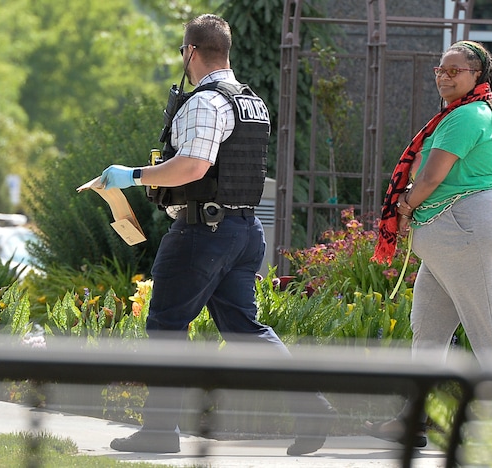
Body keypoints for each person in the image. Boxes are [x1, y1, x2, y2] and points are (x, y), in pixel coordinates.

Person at [98, 14, 335, 456]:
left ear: (190, 51)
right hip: (244, 230)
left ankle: (160, 432)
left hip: (202, 233)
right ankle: (312, 408)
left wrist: (131, 174)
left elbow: (194, 166)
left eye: (182, 53)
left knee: (166, 325)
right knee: (246, 329)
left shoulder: (206, 103)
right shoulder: (251, 101)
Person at [366, 40, 492, 445]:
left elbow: (430, 178)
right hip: (458, 229)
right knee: (427, 327)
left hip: (465, 228)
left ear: (478, 75)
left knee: (487, 331)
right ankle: (415, 419)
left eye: (455, 70)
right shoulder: (472, 112)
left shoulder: (466, 116)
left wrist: (403, 210)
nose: (444, 76)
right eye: (441, 69)